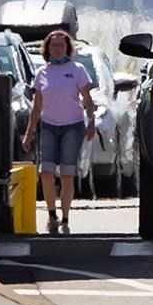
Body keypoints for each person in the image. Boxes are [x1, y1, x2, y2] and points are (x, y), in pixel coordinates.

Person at [21, 29, 95, 235]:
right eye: (54, 45)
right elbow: (37, 108)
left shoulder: (78, 69)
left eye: (61, 45)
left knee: (66, 173)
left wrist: (92, 122)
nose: (57, 49)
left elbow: (87, 100)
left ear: (67, 48)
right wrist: (28, 133)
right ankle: (52, 215)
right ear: (48, 49)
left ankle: (65, 218)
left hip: (73, 126)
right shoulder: (42, 73)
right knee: (45, 171)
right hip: (49, 126)